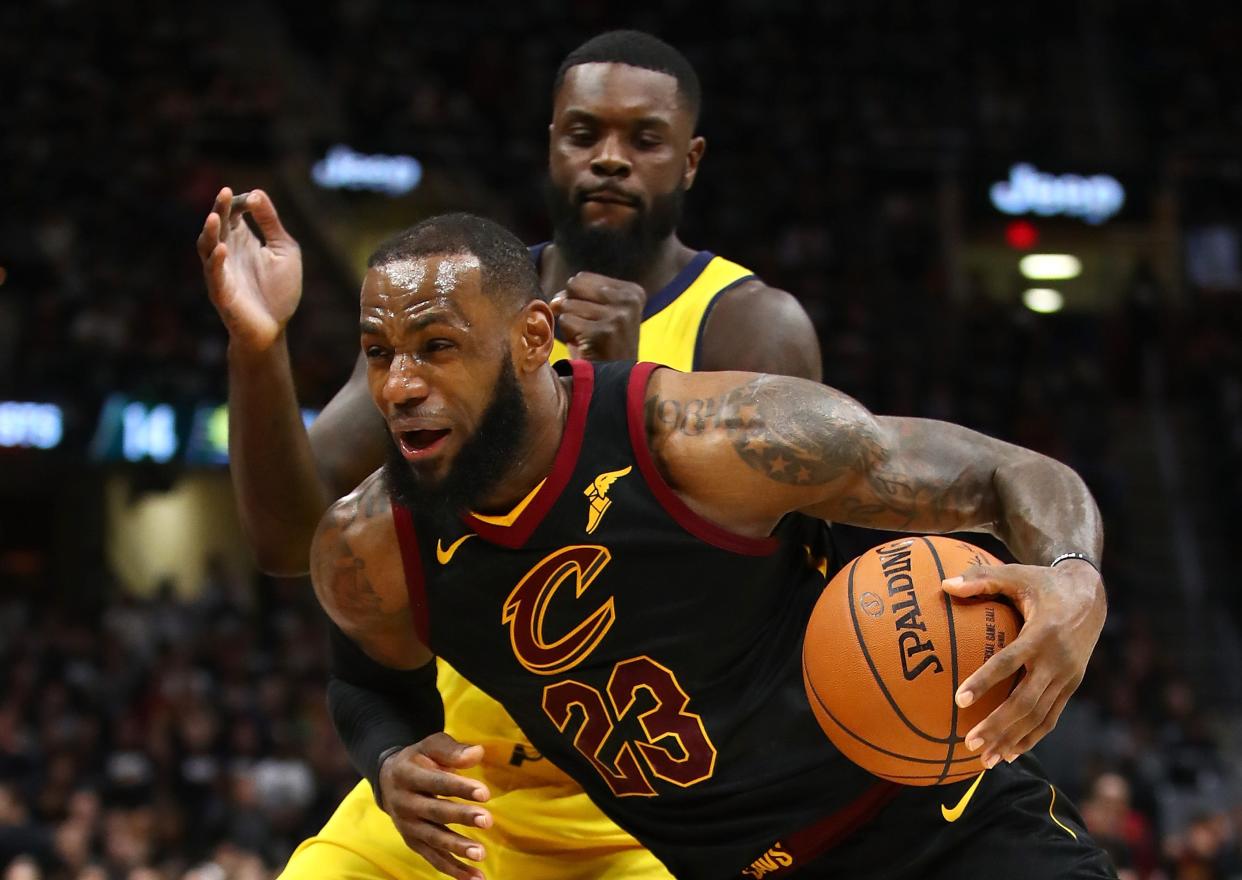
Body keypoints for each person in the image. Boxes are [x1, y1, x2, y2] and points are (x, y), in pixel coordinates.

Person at [310, 212, 1115, 880]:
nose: (399, 386)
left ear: (531, 338)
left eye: (436, 348)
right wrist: (389, 759)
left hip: (947, 830)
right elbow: (367, 680)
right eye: (379, 354)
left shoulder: (704, 441)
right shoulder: (372, 544)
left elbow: (1008, 475)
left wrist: (1074, 579)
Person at [198, 30, 821, 880]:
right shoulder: (456, 310)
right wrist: (257, 348)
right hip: (462, 789)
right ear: (551, 146)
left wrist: (621, 399)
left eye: (643, 140)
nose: (609, 160)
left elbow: (767, 612)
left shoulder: (751, 326)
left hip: (656, 807)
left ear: (691, 160)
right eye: (583, 134)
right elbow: (284, 543)